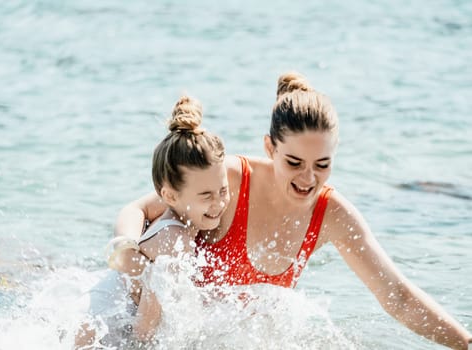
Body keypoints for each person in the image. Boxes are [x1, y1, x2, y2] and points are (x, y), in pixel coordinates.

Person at [112, 72, 472, 349]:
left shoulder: (332, 214)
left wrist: (466, 343)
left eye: (323, 164)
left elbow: (398, 297)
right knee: (174, 238)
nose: (308, 178)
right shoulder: (232, 179)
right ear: (270, 148)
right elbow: (141, 208)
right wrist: (126, 249)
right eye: (295, 162)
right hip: (144, 325)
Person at [74, 95, 230, 348]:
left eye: (223, 190)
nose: (219, 203)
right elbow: (144, 331)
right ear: (170, 195)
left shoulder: (177, 209)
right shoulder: (175, 242)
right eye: (206, 195)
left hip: (100, 313)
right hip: (99, 329)